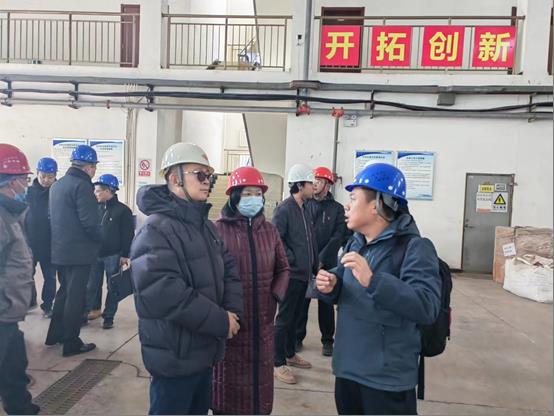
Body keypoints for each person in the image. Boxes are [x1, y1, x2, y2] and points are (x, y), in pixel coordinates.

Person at [316, 163, 441, 415]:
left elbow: (427, 306)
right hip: (347, 372)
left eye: (354, 198)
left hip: (386, 382)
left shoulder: (415, 248)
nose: (347, 206)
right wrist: (331, 285)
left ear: (376, 205)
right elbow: (344, 284)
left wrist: (373, 281)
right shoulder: (355, 244)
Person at [130, 142, 243, 415]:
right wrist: (220, 321)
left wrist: (232, 312)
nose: (207, 182)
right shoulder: (155, 230)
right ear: (174, 178)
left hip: (204, 351)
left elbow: (229, 268)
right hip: (175, 356)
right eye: (199, 174)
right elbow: (164, 293)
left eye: (210, 176)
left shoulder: (205, 226)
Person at [212, 166, 290, 415]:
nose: (253, 199)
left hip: (263, 323)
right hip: (233, 323)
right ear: (234, 196)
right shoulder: (217, 230)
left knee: (260, 388)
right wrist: (221, 310)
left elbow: (284, 269)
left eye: (258, 194)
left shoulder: (270, 231)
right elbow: (210, 277)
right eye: (247, 193)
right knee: (228, 386)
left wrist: (274, 297)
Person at [45, 144, 100, 357]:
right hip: (79, 253)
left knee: (64, 292)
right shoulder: (82, 186)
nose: (94, 170)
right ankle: (71, 343)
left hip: (60, 250)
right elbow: (90, 223)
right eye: (94, 166)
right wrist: (100, 240)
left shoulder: (57, 185)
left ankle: (55, 335)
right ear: (88, 167)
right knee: (75, 297)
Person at [0, 144, 40, 415]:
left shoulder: (10, 213)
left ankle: (19, 406)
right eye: (24, 179)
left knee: (14, 363)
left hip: (8, 312)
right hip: (2, 310)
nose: (26, 184)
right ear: (10, 182)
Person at [271, 163, 318, 385]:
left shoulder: (304, 208)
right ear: (300, 185)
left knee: (296, 317)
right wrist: (293, 260)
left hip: (304, 275)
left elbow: (310, 240)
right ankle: (277, 362)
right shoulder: (285, 209)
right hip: (291, 274)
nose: (314, 186)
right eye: (310, 183)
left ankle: (290, 353)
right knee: (284, 318)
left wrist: (314, 265)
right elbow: (276, 239)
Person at [296, 166, 345, 357]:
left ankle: (327, 341)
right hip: (306, 261)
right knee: (302, 302)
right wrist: (309, 258)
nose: (315, 184)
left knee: (326, 304)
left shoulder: (337, 209)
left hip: (327, 264)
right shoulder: (304, 206)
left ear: (328, 185)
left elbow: (337, 237)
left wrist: (322, 260)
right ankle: (297, 338)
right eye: (313, 180)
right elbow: (300, 234)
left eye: (319, 181)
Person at [85, 174, 134, 329]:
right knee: (92, 285)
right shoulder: (94, 208)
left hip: (113, 255)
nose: (95, 193)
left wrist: (125, 255)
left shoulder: (123, 211)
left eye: (98, 191)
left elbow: (128, 234)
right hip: (95, 254)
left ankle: (109, 316)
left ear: (109, 191)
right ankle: (91, 311)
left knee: (113, 287)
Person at [26, 157, 58, 318]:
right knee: (26, 276)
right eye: (43, 176)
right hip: (29, 243)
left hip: (50, 244)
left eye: (50, 177)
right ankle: (29, 301)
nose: (46, 180)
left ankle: (48, 305)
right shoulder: (28, 192)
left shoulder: (58, 192)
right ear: (37, 173)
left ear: (55, 176)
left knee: (50, 277)